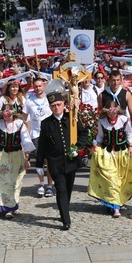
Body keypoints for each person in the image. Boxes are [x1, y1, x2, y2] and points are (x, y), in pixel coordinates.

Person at [35, 85, 89, 230]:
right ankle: (66, 220)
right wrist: (39, 164)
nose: (56, 108)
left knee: (68, 189)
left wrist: (78, 147)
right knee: (61, 189)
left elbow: (84, 134)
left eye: (58, 104)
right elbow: (42, 145)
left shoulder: (71, 118)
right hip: (55, 163)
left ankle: (62, 210)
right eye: (53, 106)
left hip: (71, 161)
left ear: (63, 104)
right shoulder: (46, 123)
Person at [87, 100, 132, 218]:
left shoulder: (123, 120)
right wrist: (95, 145)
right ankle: (115, 208)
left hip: (122, 153)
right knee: (111, 180)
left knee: (121, 180)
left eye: (113, 114)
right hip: (107, 154)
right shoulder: (102, 122)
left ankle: (116, 203)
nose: (111, 117)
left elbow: (129, 134)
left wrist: (131, 146)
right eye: (109, 114)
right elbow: (100, 137)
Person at [0, 103, 35, 218]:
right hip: (1, 155)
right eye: (4, 115)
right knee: (3, 181)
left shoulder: (19, 124)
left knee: (15, 182)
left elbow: (26, 142)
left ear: (12, 114)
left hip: (17, 156)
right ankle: (7, 208)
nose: (6, 117)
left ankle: (14, 205)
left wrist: (27, 159)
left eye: (8, 115)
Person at [23, 77, 54, 197]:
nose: (38, 88)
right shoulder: (29, 101)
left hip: (49, 134)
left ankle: (50, 185)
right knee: (39, 160)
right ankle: (41, 183)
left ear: (44, 86)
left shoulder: (49, 99)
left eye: (40, 86)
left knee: (50, 161)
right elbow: (24, 118)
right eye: (35, 86)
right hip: (36, 135)